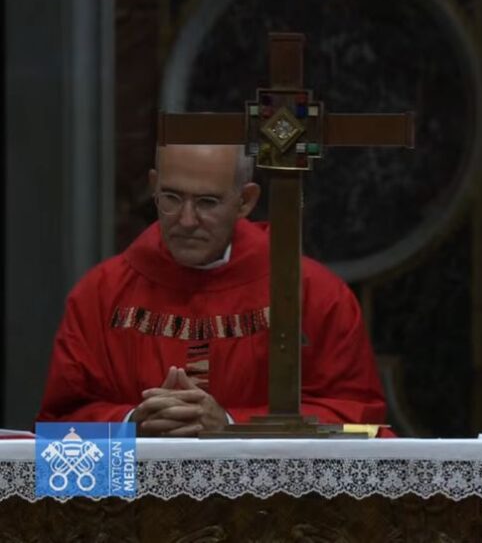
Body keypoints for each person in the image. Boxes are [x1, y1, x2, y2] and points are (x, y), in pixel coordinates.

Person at [37, 144, 389, 436]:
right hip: (133, 513)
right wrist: (133, 425)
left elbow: (361, 425)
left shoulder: (313, 295)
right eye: (172, 198)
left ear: (245, 201)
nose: (186, 220)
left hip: (269, 515)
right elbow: (57, 432)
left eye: (207, 202)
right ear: (153, 186)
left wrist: (232, 426)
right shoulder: (101, 294)